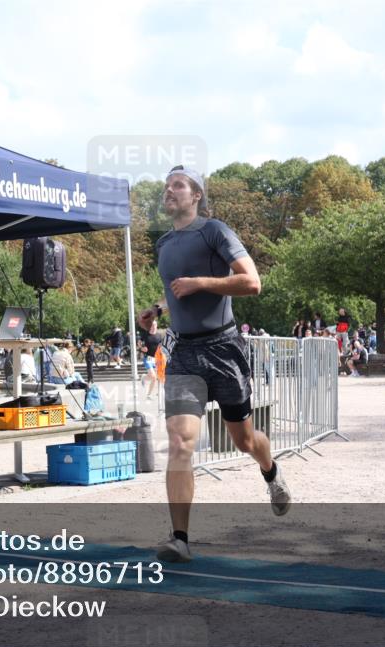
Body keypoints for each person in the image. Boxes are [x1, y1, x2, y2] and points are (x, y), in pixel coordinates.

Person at [137, 165, 290, 563]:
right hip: (184, 353)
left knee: (243, 440)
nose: (169, 191)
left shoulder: (215, 231)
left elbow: (252, 282)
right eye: (166, 186)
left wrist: (201, 282)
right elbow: (175, 289)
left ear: (196, 195)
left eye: (178, 186)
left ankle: (270, 472)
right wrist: (156, 308)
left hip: (224, 349)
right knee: (180, 442)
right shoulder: (165, 243)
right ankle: (180, 538)